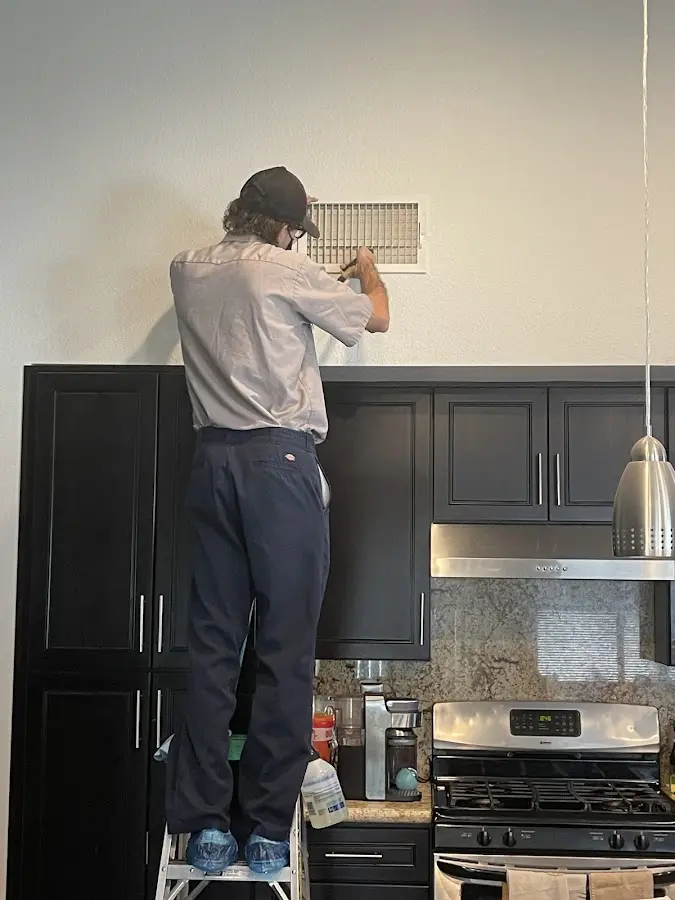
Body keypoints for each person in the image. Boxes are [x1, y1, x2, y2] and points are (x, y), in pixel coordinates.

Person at [165, 166, 390, 876]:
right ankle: (264, 830)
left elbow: (242, 295)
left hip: (211, 464)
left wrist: (289, 244)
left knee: (211, 651)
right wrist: (367, 271)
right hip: (278, 466)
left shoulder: (186, 268)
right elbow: (374, 317)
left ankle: (202, 824)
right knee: (283, 650)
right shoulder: (286, 268)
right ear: (286, 227)